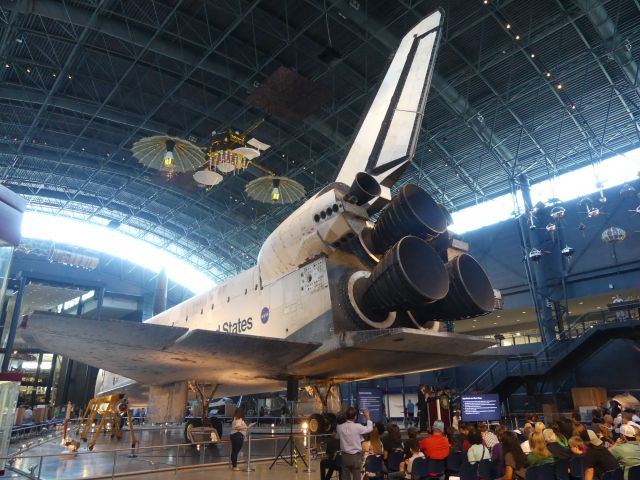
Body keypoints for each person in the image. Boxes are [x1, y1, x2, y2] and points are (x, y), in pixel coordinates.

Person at [337, 407, 373, 480]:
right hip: (355, 457)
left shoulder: (339, 427)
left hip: (345, 456)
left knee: (345, 477)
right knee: (357, 477)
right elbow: (370, 428)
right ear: (355, 416)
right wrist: (367, 417)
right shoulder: (357, 427)